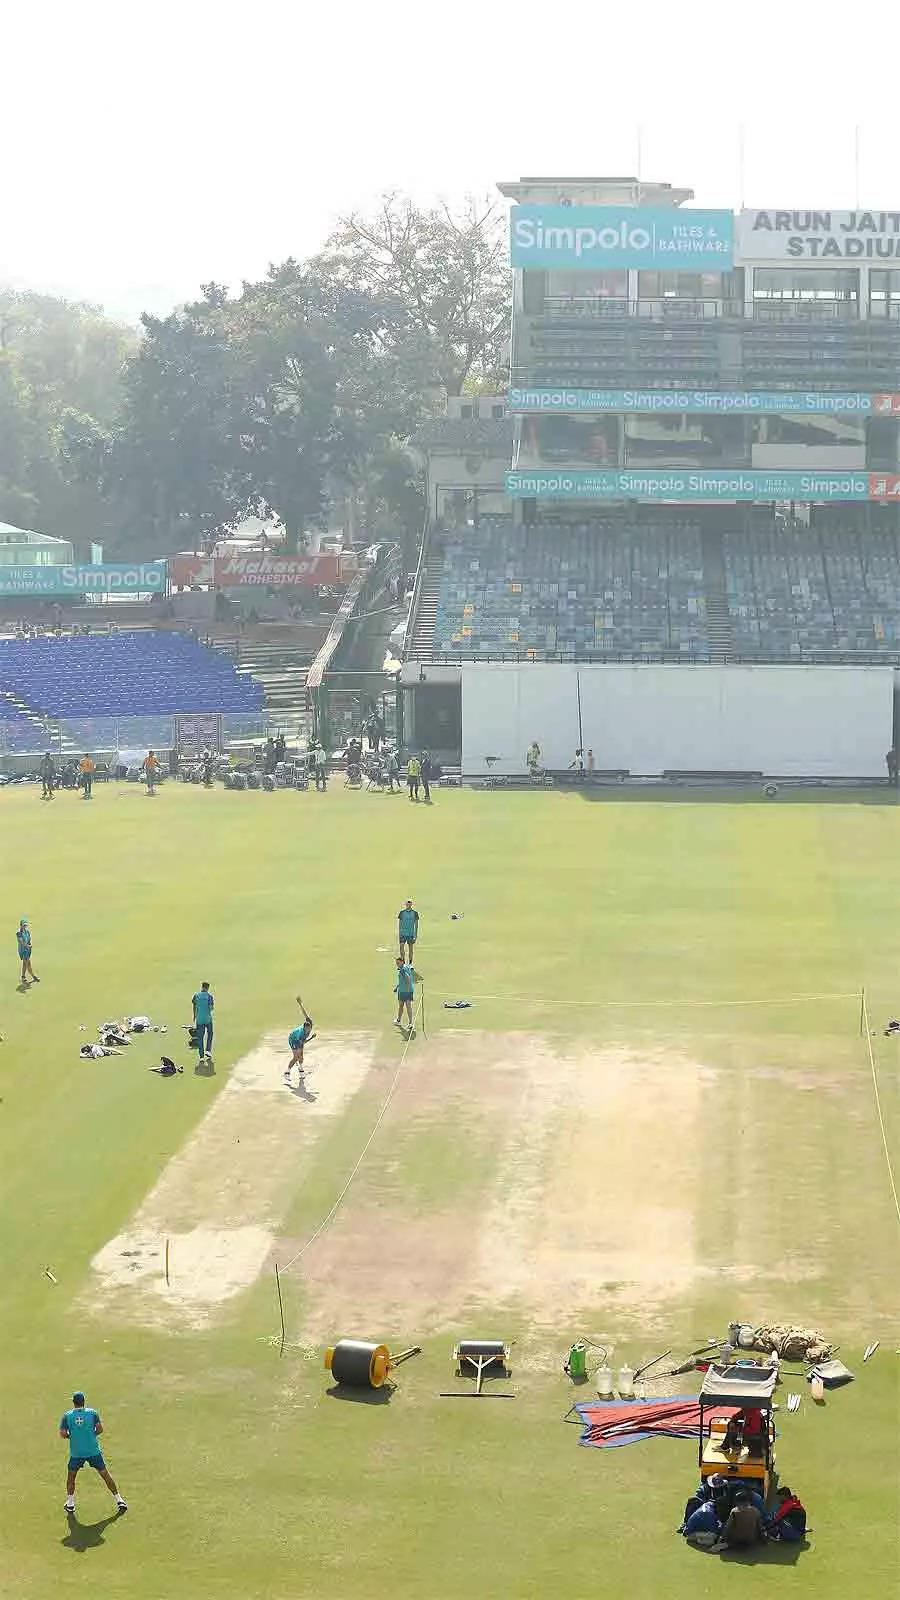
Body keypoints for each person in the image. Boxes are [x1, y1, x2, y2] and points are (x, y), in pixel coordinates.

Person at [59, 1391, 127, 1515]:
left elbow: (63, 1434)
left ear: (73, 1402)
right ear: (83, 1402)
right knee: (105, 1474)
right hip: (93, 1451)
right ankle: (119, 1500)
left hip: (76, 1453)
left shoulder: (67, 1416)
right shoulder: (92, 1413)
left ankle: (70, 1503)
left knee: (71, 1477)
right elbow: (100, 1429)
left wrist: (73, 1436)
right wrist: (90, 1435)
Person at [285, 997, 315, 1082]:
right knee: (296, 1057)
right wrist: (312, 1038)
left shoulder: (310, 1022)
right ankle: (287, 1072)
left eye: (309, 1029)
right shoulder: (301, 1034)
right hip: (293, 1039)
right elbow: (304, 1042)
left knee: (301, 1057)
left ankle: (300, 1069)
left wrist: (300, 1004)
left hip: (300, 1040)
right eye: (307, 1029)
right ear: (305, 1028)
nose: (309, 1030)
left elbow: (305, 1013)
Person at [191, 981, 214, 1063]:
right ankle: (208, 1050)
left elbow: (194, 1006)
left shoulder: (196, 995)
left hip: (199, 1019)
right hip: (208, 1019)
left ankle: (201, 1056)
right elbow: (211, 1008)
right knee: (210, 1033)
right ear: (207, 988)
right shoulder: (209, 996)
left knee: (200, 1037)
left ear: (202, 987)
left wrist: (194, 1016)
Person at [394, 956, 416, 1033]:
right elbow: (401, 980)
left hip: (406, 991)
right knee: (401, 1006)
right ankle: (399, 1020)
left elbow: (407, 978)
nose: (397, 964)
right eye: (396, 963)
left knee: (407, 1006)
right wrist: (397, 987)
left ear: (402, 962)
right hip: (402, 990)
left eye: (398, 963)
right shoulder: (405, 967)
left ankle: (410, 1023)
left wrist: (406, 988)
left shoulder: (403, 969)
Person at [17, 918, 38, 985]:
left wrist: (30, 944)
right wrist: (28, 946)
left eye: (25, 925)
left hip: (28, 950)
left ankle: (23, 977)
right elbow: (21, 942)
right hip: (23, 950)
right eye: (23, 925)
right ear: (21, 925)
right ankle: (33, 976)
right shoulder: (18, 933)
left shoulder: (27, 932)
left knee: (25, 964)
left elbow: (29, 939)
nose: (25, 926)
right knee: (28, 963)